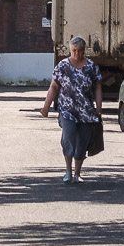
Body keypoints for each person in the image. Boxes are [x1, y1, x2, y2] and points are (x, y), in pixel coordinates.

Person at [40, 36, 102, 183]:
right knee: (68, 137)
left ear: (84, 50)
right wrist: (46, 106)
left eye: (80, 51)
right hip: (67, 109)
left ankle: (77, 173)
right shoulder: (63, 66)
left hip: (86, 111)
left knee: (82, 142)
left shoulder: (91, 66)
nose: (77, 54)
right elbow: (54, 87)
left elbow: (98, 86)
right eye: (74, 51)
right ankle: (68, 171)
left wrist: (99, 107)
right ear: (70, 50)